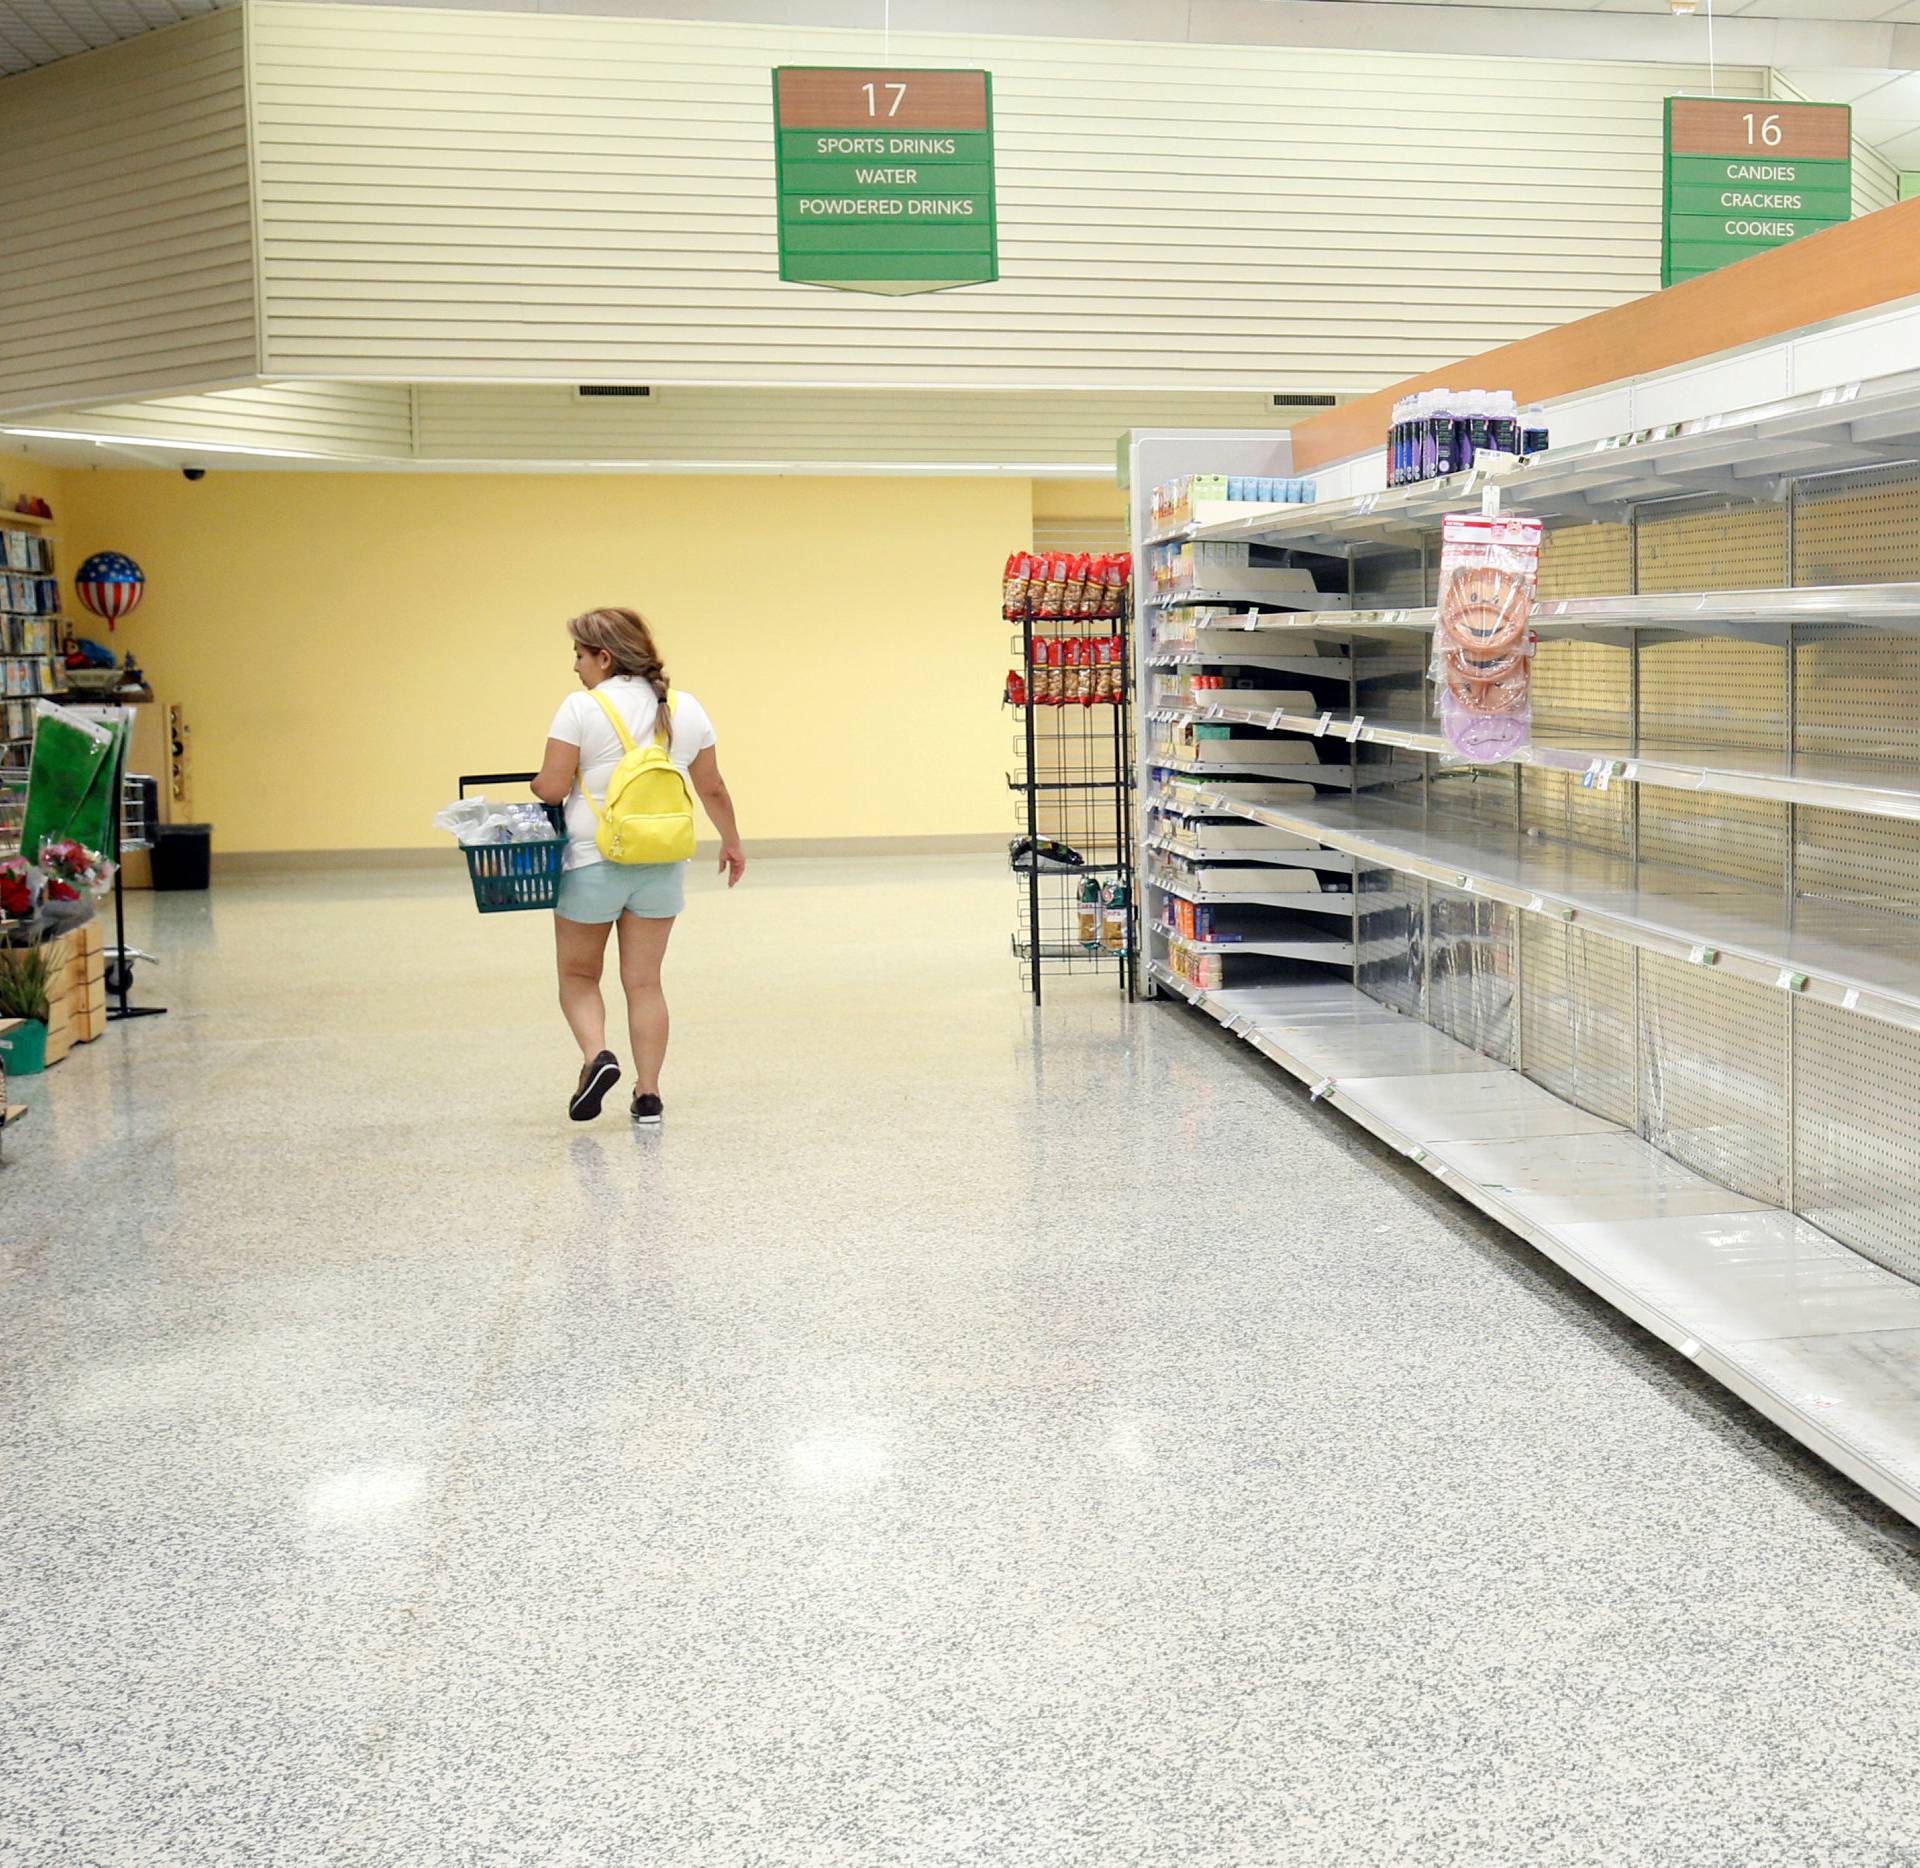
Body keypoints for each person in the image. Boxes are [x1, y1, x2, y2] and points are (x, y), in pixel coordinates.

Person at [531, 606, 744, 1125]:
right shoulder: (687, 707)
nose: (576, 667)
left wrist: (539, 785)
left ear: (604, 657)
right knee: (644, 981)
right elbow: (710, 786)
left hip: (592, 859)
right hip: (662, 859)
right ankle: (648, 1095)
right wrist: (732, 841)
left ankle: (598, 1056)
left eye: (580, 656)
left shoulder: (581, 708)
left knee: (579, 974)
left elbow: (553, 788)